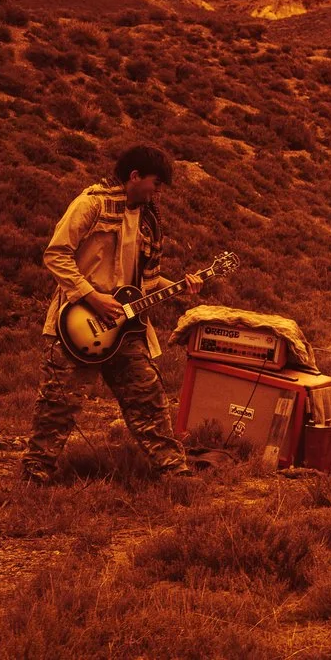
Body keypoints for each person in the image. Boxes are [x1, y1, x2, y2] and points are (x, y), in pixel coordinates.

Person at [21, 143, 198, 484]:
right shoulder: (91, 204)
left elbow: (142, 277)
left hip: (126, 327)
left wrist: (181, 284)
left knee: (147, 397)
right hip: (76, 322)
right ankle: (35, 473)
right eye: (154, 183)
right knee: (58, 404)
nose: (156, 191)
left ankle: (175, 471)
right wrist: (94, 297)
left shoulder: (147, 220)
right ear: (134, 176)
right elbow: (56, 254)